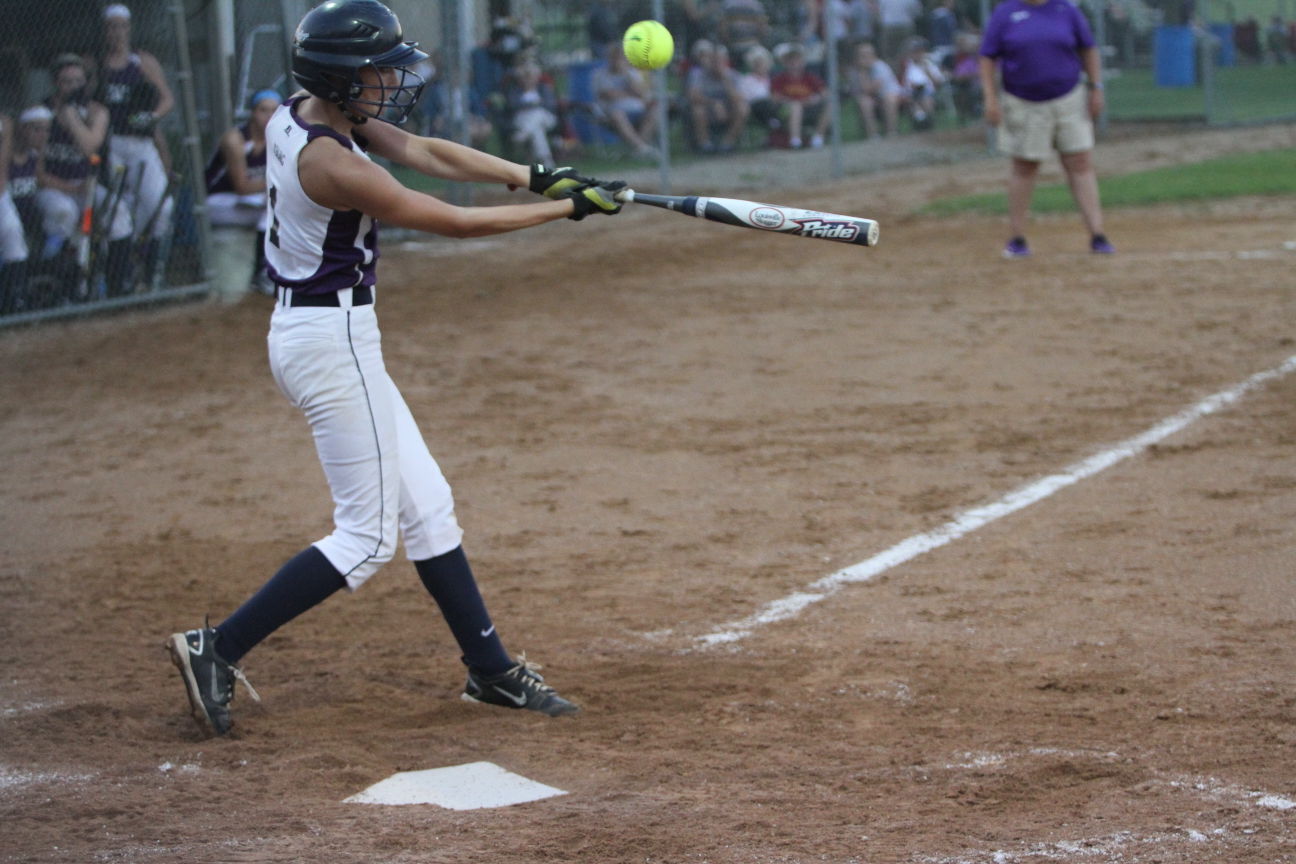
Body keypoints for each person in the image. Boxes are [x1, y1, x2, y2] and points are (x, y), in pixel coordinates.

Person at [165, 0, 624, 738]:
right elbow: (454, 220)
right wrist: (567, 213)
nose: (390, 80)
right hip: (330, 340)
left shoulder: (302, 113)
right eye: (375, 70)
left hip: (319, 332)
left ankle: (492, 672)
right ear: (340, 79)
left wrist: (539, 177)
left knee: (429, 505)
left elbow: (426, 151)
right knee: (368, 537)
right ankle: (216, 648)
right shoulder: (332, 162)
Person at [979, 0, 1115, 257]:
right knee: (1025, 166)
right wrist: (989, 97)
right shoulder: (1006, 12)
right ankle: (1017, 238)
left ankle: (1098, 234)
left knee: (1080, 162)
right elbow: (987, 57)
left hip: (1068, 97)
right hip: (1022, 100)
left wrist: (1096, 87)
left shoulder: (1066, 9)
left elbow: (1088, 48)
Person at [37, 53, 134, 297]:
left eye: (78, 81)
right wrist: (70, 190)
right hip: (53, 187)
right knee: (64, 213)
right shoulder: (41, 114)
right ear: (56, 84)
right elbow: (36, 172)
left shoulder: (96, 110)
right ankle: (61, 287)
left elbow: (89, 147)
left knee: (117, 211)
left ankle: (118, 285)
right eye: (67, 82)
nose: (73, 87)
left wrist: (72, 117)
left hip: (85, 184)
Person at [98, 4, 176, 290]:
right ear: (105, 31)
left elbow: (167, 99)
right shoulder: (99, 64)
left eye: (122, 26)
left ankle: (149, 269)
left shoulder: (141, 61)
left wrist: (152, 116)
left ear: (129, 28)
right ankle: (121, 277)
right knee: (118, 209)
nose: (117, 32)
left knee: (161, 205)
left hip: (141, 141)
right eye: (112, 27)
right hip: (112, 143)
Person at [204, 90, 280, 296]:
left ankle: (266, 270)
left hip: (249, 202)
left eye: (274, 111)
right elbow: (241, 186)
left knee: (281, 203)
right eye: (263, 110)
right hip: (219, 201)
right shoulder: (235, 139)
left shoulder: (278, 141)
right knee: (277, 204)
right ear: (252, 113)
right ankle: (263, 271)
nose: (268, 116)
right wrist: (279, 182)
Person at [592, 42, 660, 158]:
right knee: (617, 115)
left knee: (656, 111)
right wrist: (630, 94)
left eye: (620, 57)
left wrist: (627, 75)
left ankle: (639, 150)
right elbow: (609, 94)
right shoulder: (600, 75)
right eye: (614, 57)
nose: (617, 60)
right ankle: (642, 148)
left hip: (639, 110)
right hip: (613, 112)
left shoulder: (632, 73)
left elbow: (642, 94)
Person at [685, 39, 750, 153]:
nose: (716, 64)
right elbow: (693, 96)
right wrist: (714, 103)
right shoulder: (697, 74)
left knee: (743, 108)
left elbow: (739, 98)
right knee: (698, 110)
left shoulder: (733, 75)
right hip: (707, 108)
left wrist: (725, 80)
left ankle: (727, 143)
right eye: (714, 60)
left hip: (728, 109)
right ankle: (705, 145)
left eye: (720, 60)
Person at [771, 42, 832, 149]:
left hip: (809, 107)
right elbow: (775, 98)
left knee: (831, 104)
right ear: (785, 63)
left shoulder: (809, 77)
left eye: (797, 59)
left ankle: (818, 138)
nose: (794, 63)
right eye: (790, 60)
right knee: (796, 106)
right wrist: (790, 101)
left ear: (802, 61)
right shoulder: (780, 79)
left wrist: (816, 99)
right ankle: (795, 141)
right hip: (786, 110)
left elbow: (825, 93)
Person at [504, 61, 560, 164]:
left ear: (536, 77)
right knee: (537, 130)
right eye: (525, 77)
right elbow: (512, 106)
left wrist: (528, 105)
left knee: (538, 113)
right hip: (522, 120)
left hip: (546, 118)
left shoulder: (543, 88)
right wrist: (535, 104)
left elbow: (549, 105)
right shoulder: (515, 91)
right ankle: (547, 162)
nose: (528, 79)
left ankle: (524, 134)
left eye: (531, 76)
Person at [845, 41, 902, 138]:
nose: (866, 58)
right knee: (864, 102)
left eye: (868, 55)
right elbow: (857, 92)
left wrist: (862, 71)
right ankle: (873, 135)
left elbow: (869, 89)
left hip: (889, 95)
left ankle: (891, 132)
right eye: (862, 55)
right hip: (872, 99)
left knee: (889, 99)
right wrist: (861, 71)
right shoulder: (853, 71)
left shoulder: (880, 67)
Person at [736, 44, 782, 141]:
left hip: (772, 104)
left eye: (763, 63)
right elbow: (743, 96)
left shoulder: (773, 79)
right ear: (753, 65)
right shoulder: (746, 79)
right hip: (754, 106)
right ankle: (773, 122)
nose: (761, 66)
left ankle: (774, 125)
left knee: (775, 103)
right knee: (763, 103)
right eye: (758, 63)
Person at [899, 37, 945, 130]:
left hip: (928, 92)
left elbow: (939, 82)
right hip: (911, 93)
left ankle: (927, 124)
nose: (918, 54)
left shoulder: (929, 64)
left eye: (920, 51)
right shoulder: (907, 66)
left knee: (926, 99)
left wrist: (927, 71)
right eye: (915, 52)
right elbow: (904, 83)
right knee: (913, 99)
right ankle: (920, 121)